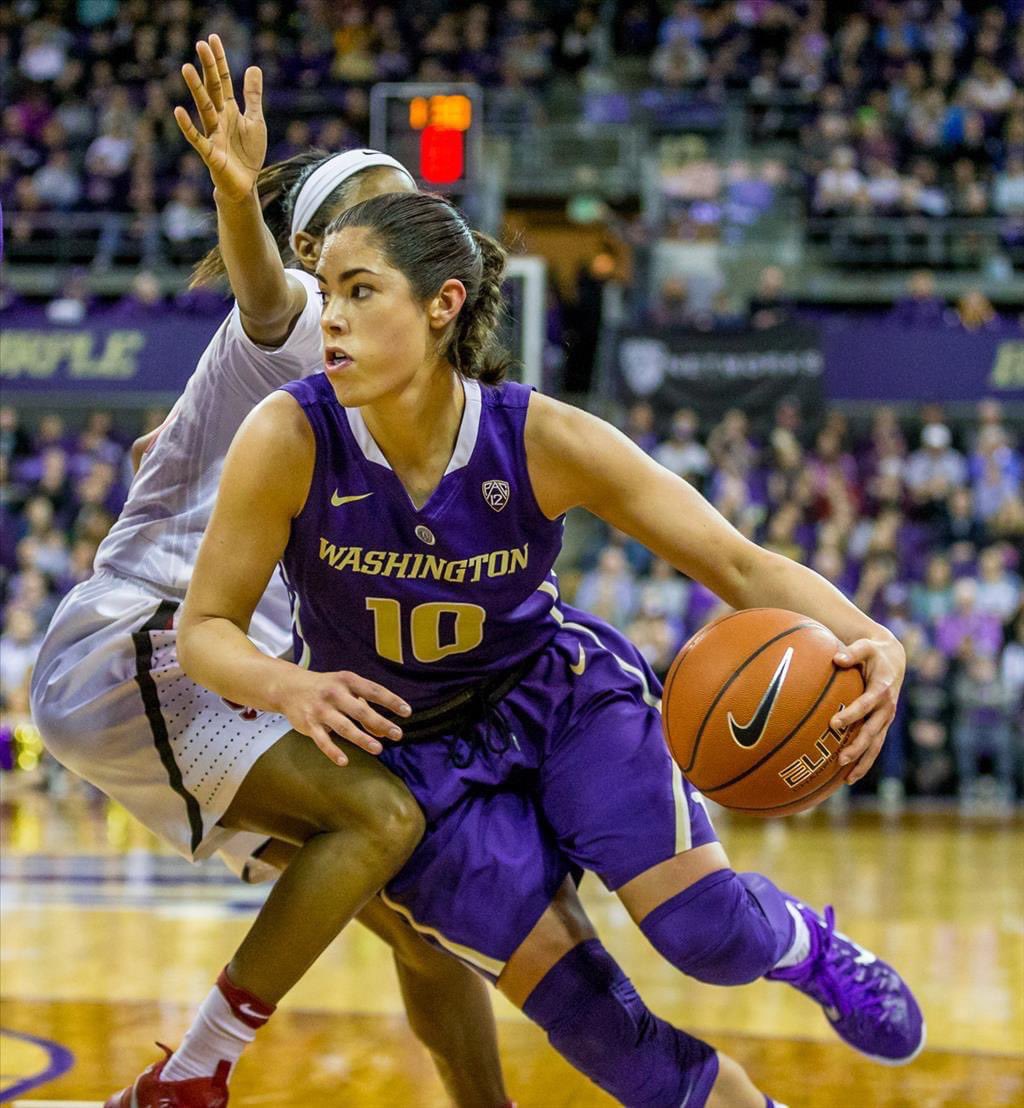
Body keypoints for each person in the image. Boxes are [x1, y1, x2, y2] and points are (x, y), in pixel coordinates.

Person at [179, 189, 925, 1108]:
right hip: (415, 763)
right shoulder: (290, 435)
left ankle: (811, 947)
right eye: (326, 291)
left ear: (443, 304)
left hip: (559, 702)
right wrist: (284, 687)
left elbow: (735, 561)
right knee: (612, 1044)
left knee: (708, 936)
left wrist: (870, 638)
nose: (329, 318)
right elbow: (204, 628)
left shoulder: (537, 436)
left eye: (361, 292)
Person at [30, 37, 511, 1108]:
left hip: (220, 672)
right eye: (381, 210)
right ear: (315, 251)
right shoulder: (303, 320)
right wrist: (236, 194)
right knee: (386, 821)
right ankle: (190, 1078)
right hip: (145, 645)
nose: (407, 226)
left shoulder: (388, 393)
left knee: (425, 911)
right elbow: (263, 296)